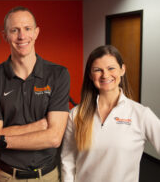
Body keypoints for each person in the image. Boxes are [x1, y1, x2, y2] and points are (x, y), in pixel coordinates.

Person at [0, 6, 70, 181]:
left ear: (36, 32)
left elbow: (54, 138)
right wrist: (38, 127)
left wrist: (3, 140)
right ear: (5, 35)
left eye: (27, 29)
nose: (22, 36)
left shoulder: (58, 74)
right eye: (14, 30)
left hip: (48, 176)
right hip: (7, 176)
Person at [60, 45, 160, 182]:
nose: (105, 75)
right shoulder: (76, 114)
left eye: (111, 68)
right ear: (90, 75)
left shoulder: (141, 115)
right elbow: (68, 160)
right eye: (97, 70)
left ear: (122, 70)